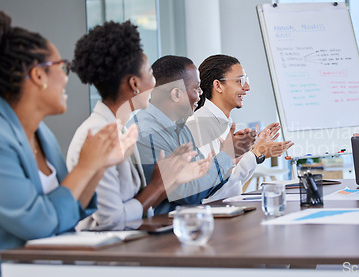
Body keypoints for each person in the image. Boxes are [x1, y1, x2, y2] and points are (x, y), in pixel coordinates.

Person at [0, 9, 137, 276]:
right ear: (38, 75)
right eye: (62, 66)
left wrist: (100, 164)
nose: (66, 77)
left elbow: (69, 206)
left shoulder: (42, 133)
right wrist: (85, 167)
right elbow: (37, 222)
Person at [67, 21, 211, 230]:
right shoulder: (98, 134)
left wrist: (172, 179)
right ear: (134, 84)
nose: (156, 84)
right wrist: (158, 185)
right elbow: (111, 221)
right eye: (151, 75)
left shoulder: (120, 129)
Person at [130, 55, 233, 214]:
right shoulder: (146, 133)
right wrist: (226, 156)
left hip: (187, 222)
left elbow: (203, 182)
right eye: (195, 89)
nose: (200, 95)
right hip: (162, 231)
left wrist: (225, 158)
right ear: (176, 94)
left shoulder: (180, 127)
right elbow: (186, 193)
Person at [187, 54, 293, 199]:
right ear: (218, 85)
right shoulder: (199, 125)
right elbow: (212, 188)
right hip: (214, 215)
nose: (247, 87)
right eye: (239, 81)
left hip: (229, 209)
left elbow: (233, 183)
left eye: (246, 80)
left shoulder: (223, 122)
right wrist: (256, 154)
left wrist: (254, 151)